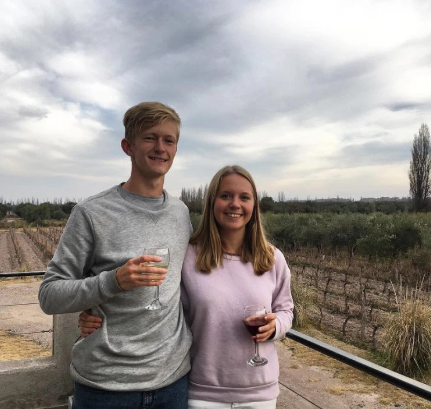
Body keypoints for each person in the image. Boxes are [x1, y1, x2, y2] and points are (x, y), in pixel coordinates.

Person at [80, 165, 294, 408]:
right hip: (202, 393)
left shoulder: (272, 259)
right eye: (226, 196)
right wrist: (95, 311)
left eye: (244, 197)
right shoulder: (188, 255)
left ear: (254, 206)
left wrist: (276, 326)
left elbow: (286, 310)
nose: (235, 204)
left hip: (260, 394)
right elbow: (159, 301)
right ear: (212, 202)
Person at [38, 102, 193, 409]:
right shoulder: (91, 213)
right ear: (128, 146)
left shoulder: (181, 213)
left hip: (173, 382)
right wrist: (113, 282)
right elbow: (49, 296)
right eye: (150, 138)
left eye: (169, 140)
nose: (160, 148)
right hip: (105, 388)